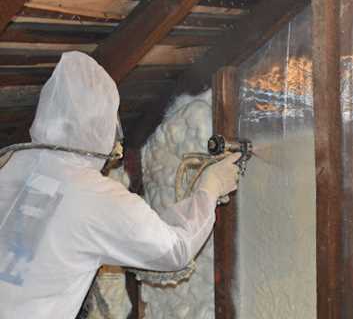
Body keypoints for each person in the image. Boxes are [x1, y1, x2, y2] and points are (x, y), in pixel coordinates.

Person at [0, 51, 240, 318]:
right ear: (101, 125)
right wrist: (209, 189)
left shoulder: (10, 164)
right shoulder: (95, 196)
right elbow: (175, 249)